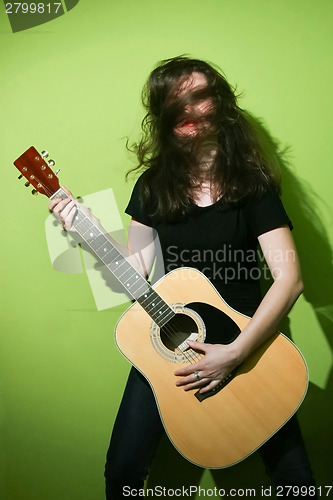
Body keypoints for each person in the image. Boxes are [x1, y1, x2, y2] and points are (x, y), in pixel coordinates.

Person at [49, 56, 316, 498]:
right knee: (121, 474)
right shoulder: (154, 186)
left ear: (222, 102)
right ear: (163, 117)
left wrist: (234, 354)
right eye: (176, 104)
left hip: (249, 344)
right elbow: (135, 272)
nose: (189, 111)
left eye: (200, 96)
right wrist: (86, 230)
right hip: (172, 341)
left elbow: (290, 281)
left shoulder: (253, 185)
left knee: (296, 482)